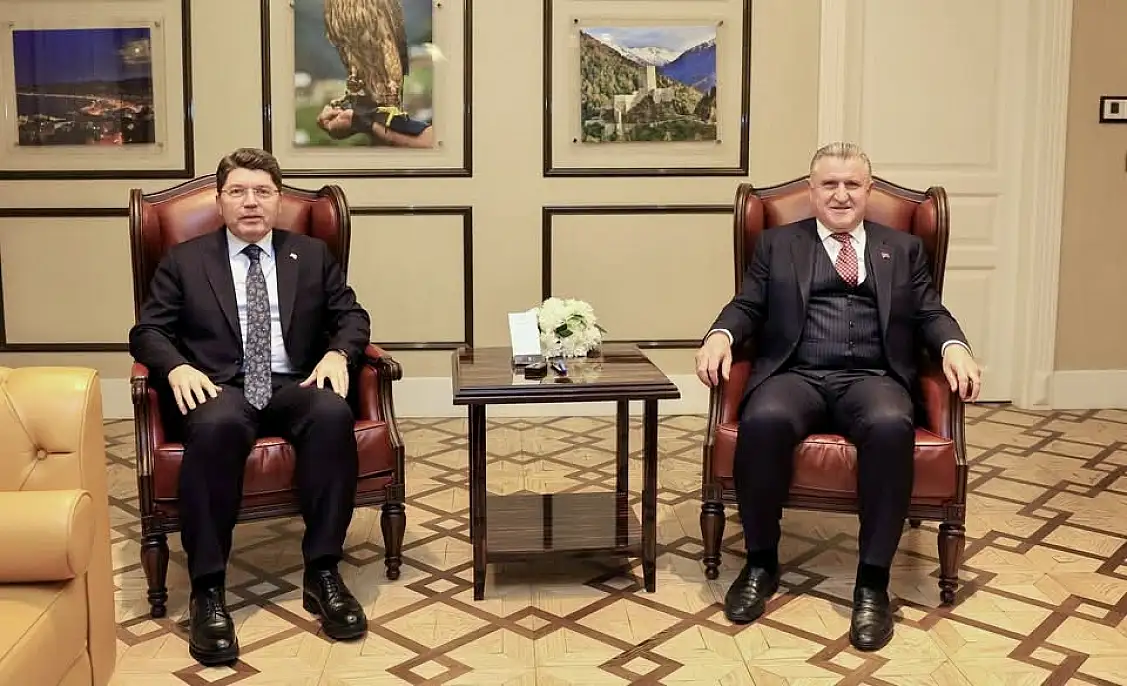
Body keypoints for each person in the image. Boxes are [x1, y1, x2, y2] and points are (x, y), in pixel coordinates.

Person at [695, 142, 982, 651]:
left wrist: (954, 346)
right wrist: (720, 335)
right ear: (812, 191)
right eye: (830, 184)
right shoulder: (778, 245)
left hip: (872, 378)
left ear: (869, 190)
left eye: (852, 184)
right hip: (797, 374)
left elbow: (930, 313)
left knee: (891, 425)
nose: (841, 194)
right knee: (762, 421)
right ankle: (760, 563)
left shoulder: (903, 249)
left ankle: (872, 582)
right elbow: (748, 305)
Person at [129, 147, 372, 666]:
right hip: (219, 386)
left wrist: (338, 353)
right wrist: (177, 367)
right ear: (219, 201)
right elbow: (147, 331)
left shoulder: (310, 254)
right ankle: (207, 589)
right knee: (216, 427)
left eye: (262, 191)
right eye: (238, 191)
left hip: (292, 381)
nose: (251, 202)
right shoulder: (185, 260)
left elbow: (352, 316)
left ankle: (323, 572)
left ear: (278, 200)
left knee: (332, 414)